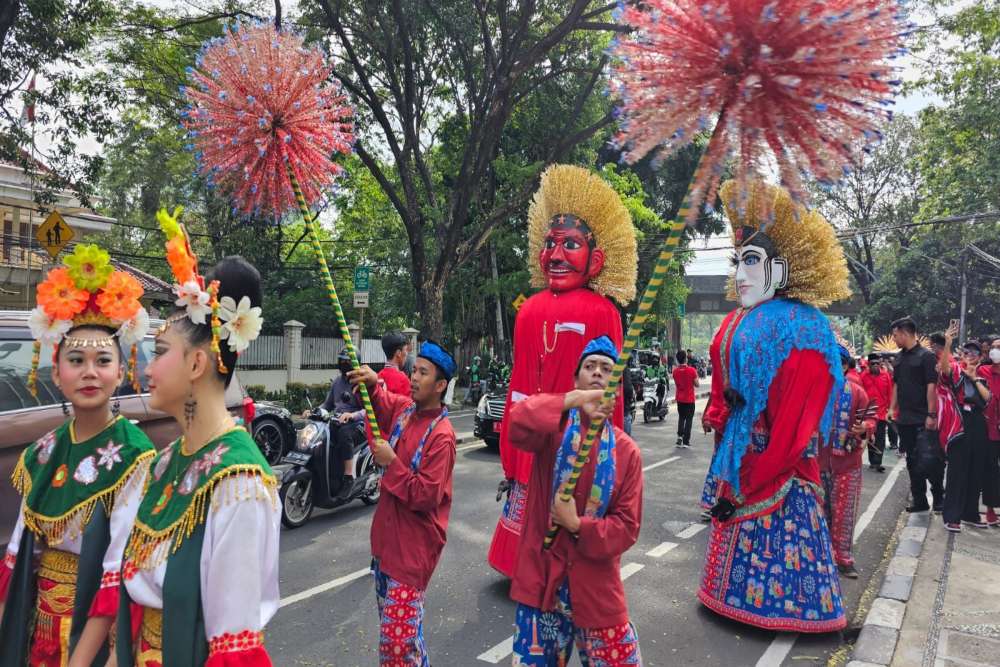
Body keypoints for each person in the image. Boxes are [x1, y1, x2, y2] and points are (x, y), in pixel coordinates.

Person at [116, 211, 278, 666]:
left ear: (196, 366)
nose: (147, 367)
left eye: (161, 352)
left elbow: (234, 647)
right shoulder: (164, 462)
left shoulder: (238, 485)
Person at [698, 180, 850, 633]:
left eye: (752, 261)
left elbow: (796, 423)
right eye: (737, 261)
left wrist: (758, 470)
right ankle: (728, 598)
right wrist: (722, 419)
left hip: (778, 463)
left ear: (780, 271)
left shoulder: (806, 328)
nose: (740, 274)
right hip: (742, 453)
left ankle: (784, 612)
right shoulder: (738, 319)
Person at [0, 244, 156, 665]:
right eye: (76, 359)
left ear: (121, 372)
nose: (90, 371)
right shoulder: (42, 452)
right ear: (56, 371)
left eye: (103, 360)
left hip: (91, 637)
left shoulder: (132, 455)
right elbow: (17, 560)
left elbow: (116, 572)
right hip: (39, 626)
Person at [488, 164, 636, 578]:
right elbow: (519, 386)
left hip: (569, 438)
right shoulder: (529, 311)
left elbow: (610, 393)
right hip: (539, 436)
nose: (555, 255)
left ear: (597, 259)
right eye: (551, 244)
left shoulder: (604, 312)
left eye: (570, 244)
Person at [507, 336, 643, 666]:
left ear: (617, 386)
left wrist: (576, 524)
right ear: (576, 379)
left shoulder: (626, 452)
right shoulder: (550, 433)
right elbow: (517, 421)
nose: (597, 373)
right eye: (589, 367)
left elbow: (626, 528)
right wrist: (573, 400)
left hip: (596, 590)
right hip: (542, 584)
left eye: (607, 369)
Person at [347, 341, 457, 666]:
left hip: (413, 554)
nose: (414, 377)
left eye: (424, 373)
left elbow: (425, 496)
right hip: (385, 546)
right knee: (404, 638)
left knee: (396, 647)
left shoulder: (443, 437)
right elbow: (384, 402)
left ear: (440, 386)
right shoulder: (407, 410)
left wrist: (392, 462)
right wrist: (373, 383)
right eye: (414, 369)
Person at [819, 346, 875, 578]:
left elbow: (870, 417)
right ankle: (821, 556)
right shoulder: (815, 391)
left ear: (843, 365)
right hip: (819, 462)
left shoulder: (857, 392)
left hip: (847, 464)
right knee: (820, 512)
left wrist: (865, 428)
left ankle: (842, 558)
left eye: (835, 362)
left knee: (844, 513)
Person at [937, 329, 992, 532]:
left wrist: (974, 377)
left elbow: (987, 399)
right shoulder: (954, 369)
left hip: (978, 423)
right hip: (958, 422)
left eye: (975, 353)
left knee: (976, 469)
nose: (970, 356)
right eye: (967, 352)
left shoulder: (982, 375)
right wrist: (948, 344)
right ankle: (952, 516)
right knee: (957, 471)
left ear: (981, 357)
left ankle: (971, 513)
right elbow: (944, 370)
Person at [888, 317, 944, 513]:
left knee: (930, 460)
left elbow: (932, 386)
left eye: (895, 335)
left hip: (923, 417)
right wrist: (891, 408)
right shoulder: (899, 358)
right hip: (905, 419)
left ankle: (939, 498)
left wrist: (931, 414)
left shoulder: (926, 356)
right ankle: (920, 500)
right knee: (912, 461)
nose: (894, 339)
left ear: (905, 333)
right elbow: (896, 385)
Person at [310, 349, 368, 503]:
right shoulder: (337, 382)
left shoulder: (362, 383)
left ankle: (348, 477)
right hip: (337, 421)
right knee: (321, 436)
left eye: (346, 361)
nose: (343, 364)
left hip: (359, 425)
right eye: (341, 360)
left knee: (344, 434)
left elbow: (369, 409)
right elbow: (328, 404)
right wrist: (314, 411)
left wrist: (352, 415)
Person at [978, 336, 1000, 526]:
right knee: (991, 469)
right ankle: (991, 510)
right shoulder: (983, 371)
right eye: (993, 347)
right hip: (989, 429)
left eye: (998, 347)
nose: (994, 351)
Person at [861, 353, 893, 472]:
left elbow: (890, 393)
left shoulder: (885, 376)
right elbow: (861, 394)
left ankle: (878, 462)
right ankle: (872, 461)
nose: (875, 366)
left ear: (880, 364)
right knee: (870, 438)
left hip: (881, 413)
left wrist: (890, 409)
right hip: (868, 413)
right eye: (872, 364)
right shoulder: (863, 376)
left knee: (880, 438)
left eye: (877, 364)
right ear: (868, 364)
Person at [672, 349, 700, 448]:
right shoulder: (692, 370)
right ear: (685, 359)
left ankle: (679, 437)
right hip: (689, 399)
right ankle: (686, 441)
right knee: (689, 420)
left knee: (681, 417)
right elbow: (697, 385)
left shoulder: (675, 372)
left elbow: (677, 384)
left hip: (680, 399)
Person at [379, 331, 412, 397]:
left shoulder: (377, 377)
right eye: (406, 350)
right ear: (398, 353)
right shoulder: (403, 380)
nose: (407, 354)